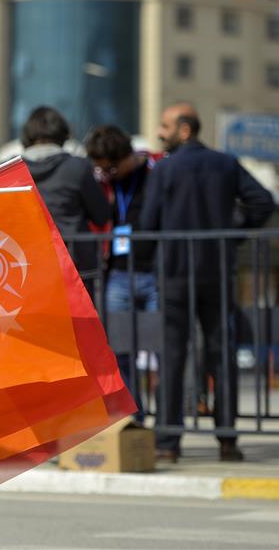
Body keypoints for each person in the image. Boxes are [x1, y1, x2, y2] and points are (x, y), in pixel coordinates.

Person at [141, 102, 275, 463]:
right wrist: (234, 235)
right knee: (222, 355)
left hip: (174, 273)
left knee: (172, 357)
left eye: (165, 126)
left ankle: (168, 443)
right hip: (217, 270)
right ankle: (227, 440)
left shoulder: (165, 169)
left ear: (185, 130)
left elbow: (148, 223)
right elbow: (262, 202)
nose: (159, 132)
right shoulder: (226, 163)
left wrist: (145, 258)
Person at [85, 125, 158, 421]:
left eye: (112, 168)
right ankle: (132, 417)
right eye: (102, 170)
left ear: (129, 156)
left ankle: (165, 419)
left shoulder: (157, 170)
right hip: (116, 275)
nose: (108, 175)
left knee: (160, 350)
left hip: (155, 273)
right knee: (120, 351)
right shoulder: (103, 182)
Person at [22, 107, 111, 297]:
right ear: (62, 134)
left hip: (25, 265)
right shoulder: (78, 167)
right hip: (75, 264)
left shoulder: (8, 170)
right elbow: (101, 215)